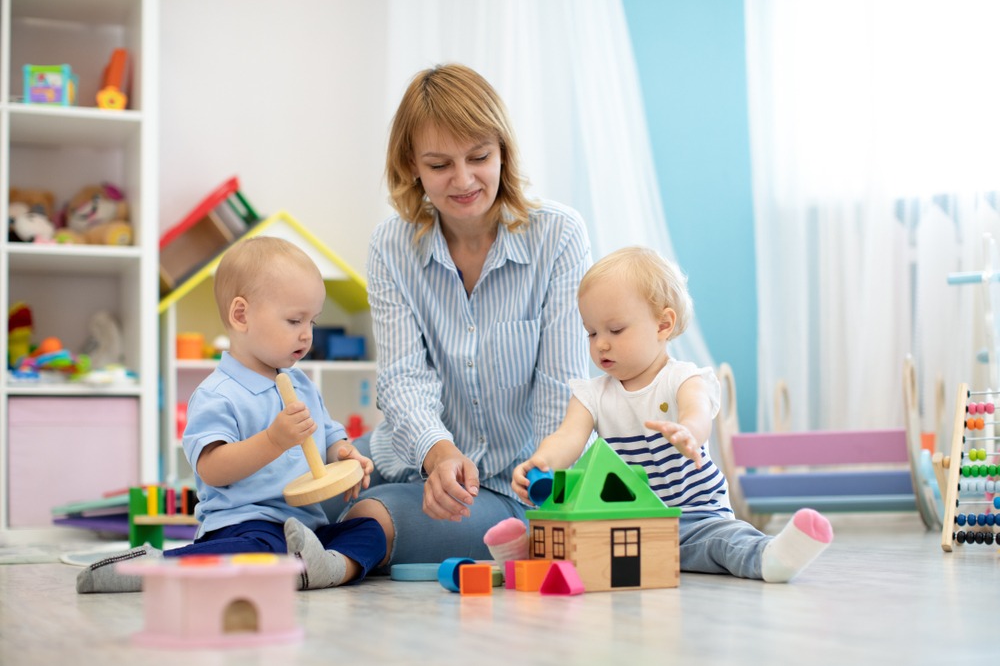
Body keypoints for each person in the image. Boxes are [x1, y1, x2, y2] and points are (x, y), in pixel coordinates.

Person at [335, 63, 592, 567]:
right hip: (405, 456)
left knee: (373, 517)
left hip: (510, 492)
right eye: (439, 165)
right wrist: (439, 453)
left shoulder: (558, 236)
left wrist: (541, 491)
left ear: (503, 151)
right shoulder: (391, 246)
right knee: (283, 492)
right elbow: (403, 378)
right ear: (411, 164)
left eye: (479, 157)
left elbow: (562, 392)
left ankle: (327, 557)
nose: (464, 179)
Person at [77, 236, 386, 593]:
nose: (307, 335)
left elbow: (328, 435)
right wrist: (273, 440)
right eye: (294, 320)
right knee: (260, 552)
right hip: (246, 523)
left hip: (307, 527)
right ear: (241, 315)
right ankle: (155, 567)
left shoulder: (300, 382)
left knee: (370, 530)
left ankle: (326, 568)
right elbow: (212, 468)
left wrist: (343, 453)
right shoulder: (217, 394)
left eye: (312, 322)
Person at [511, 246, 833, 583]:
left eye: (615, 330)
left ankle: (770, 557)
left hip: (694, 515)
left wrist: (688, 432)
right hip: (627, 521)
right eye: (591, 333)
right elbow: (568, 437)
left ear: (663, 325)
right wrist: (542, 462)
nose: (601, 344)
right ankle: (521, 555)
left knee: (722, 541)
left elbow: (698, 412)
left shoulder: (683, 378)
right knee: (580, 540)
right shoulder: (592, 394)